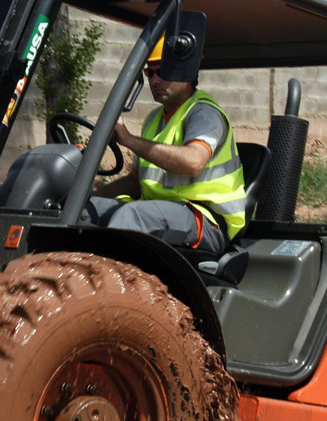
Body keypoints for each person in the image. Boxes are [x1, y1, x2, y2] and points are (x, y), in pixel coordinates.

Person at [86, 14, 246, 257]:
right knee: (87, 210)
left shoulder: (204, 113)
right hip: (160, 211)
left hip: (205, 219)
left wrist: (129, 140)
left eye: (162, 71)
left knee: (131, 216)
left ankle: (110, 290)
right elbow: (135, 182)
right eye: (150, 73)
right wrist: (92, 194)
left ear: (187, 71)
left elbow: (193, 162)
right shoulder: (153, 120)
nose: (155, 80)